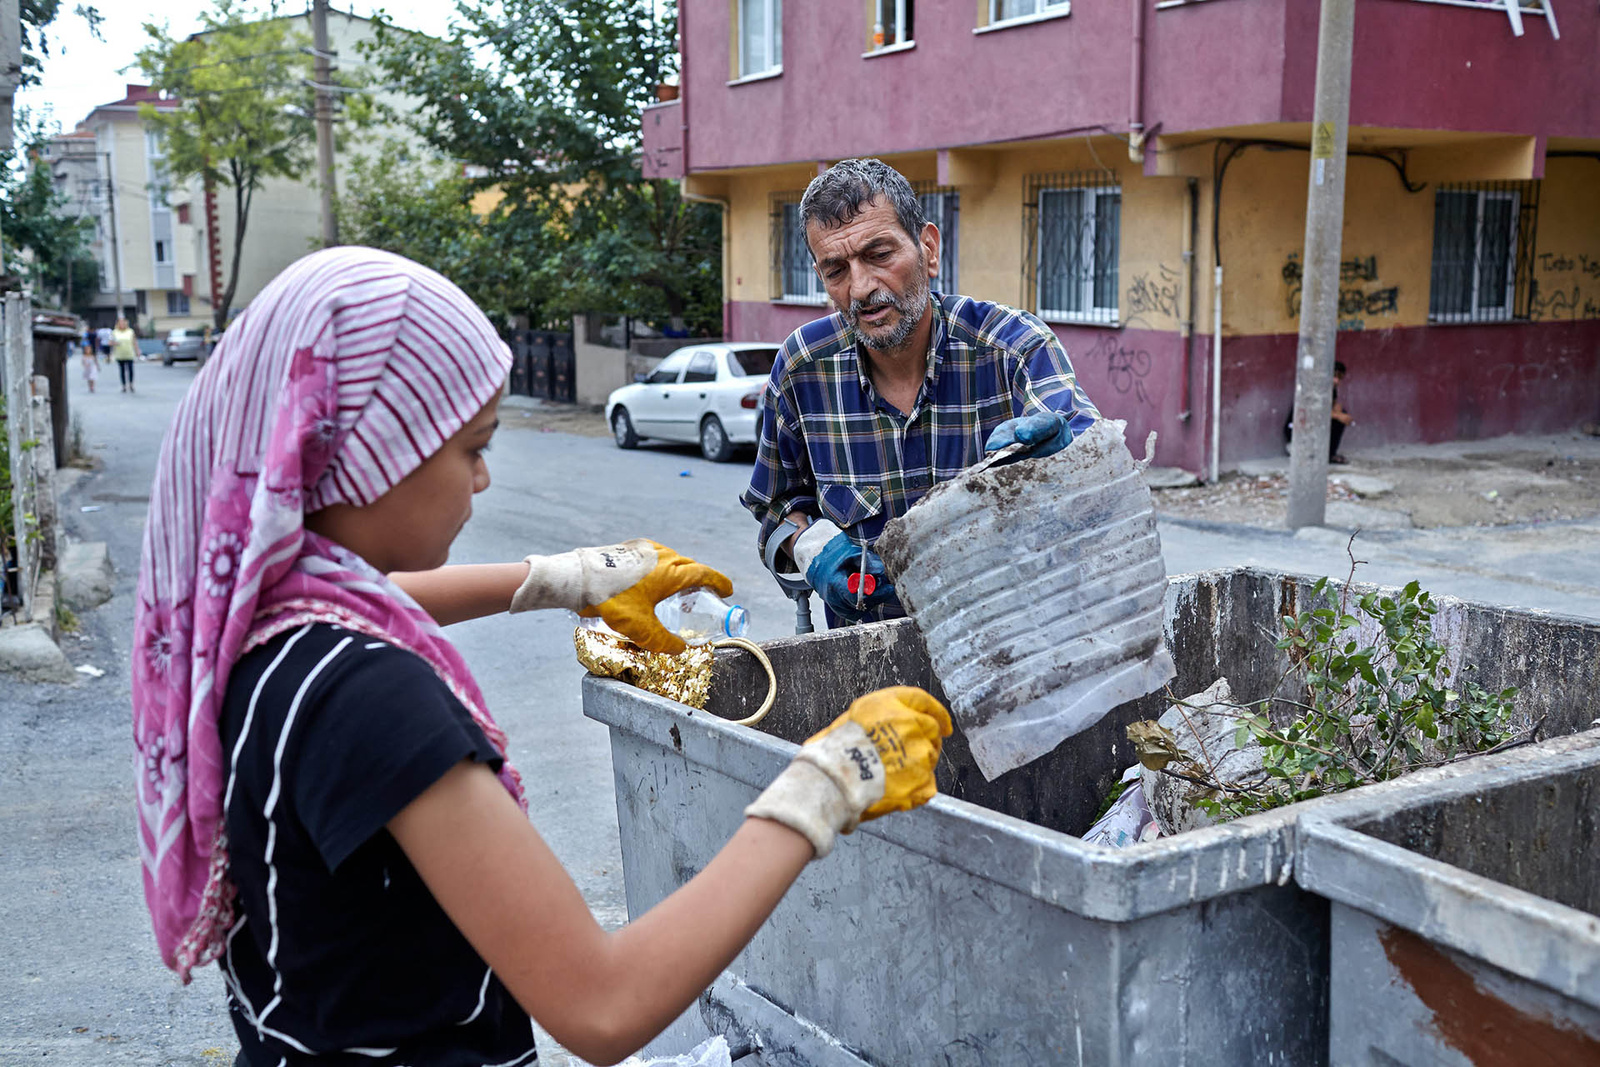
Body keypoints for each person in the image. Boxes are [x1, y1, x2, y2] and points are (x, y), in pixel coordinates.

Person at [132, 246, 950, 1067]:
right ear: (366, 453)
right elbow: (602, 1003)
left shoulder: (248, 626)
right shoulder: (370, 698)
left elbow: (375, 600)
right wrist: (824, 785)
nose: (483, 479)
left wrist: (568, 578)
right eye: (471, 447)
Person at [742, 158, 1100, 627]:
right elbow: (775, 502)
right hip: (869, 659)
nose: (860, 288)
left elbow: (1096, 468)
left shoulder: (1013, 348)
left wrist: (1071, 465)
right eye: (836, 270)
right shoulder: (802, 368)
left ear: (928, 249)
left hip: (1011, 646)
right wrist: (810, 547)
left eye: (879, 255)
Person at [1284, 361, 1353, 464]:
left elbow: (1332, 406)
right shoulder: (1315, 387)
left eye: (1340, 378)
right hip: (1297, 429)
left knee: (1340, 416)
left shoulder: (1331, 389)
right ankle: (1303, 448)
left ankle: (1326, 452)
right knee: (1338, 418)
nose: (1336, 381)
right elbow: (1315, 411)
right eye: (1334, 376)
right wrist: (1338, 415)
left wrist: (1337, 410)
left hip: (1313, 425)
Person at [111, 317, 138, 392]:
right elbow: (110, 342)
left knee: (130, 369)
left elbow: (134, 342)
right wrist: (114, 343)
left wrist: (137, 351)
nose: (122, 324)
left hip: (129, 353)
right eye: (120, 323)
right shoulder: (115, 332)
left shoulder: (130, 331)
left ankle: (131, 384)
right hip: (120, 354)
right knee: (122, 370)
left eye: (123, 323)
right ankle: (124, 385)